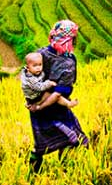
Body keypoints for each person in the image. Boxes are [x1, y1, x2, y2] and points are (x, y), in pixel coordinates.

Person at [26, 20, 89, 173]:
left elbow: (28, 78)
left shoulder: (41, 53)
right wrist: (42, 105)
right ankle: (67, 170)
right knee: (74, 139)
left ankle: (33, 173)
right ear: (70, 39)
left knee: (40, 144)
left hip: (38, 109)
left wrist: (34, 103)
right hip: (55, 108)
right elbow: (58, 93)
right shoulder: (67, 62)